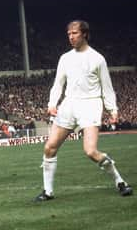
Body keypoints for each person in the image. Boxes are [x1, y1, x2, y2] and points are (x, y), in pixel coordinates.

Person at [35, 20, 132, 201]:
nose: (71, 37)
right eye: (69, 34)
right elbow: (58, 84)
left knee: (90, 151)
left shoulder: (97, 59)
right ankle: (48, 192)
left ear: (85, 34)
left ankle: (120, 181)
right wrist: (52, 103)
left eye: (74, 33)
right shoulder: (65, 58)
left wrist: (113, 110)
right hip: (69, 104)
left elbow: (107, 87)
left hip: (90, 105)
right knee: (49, 148)